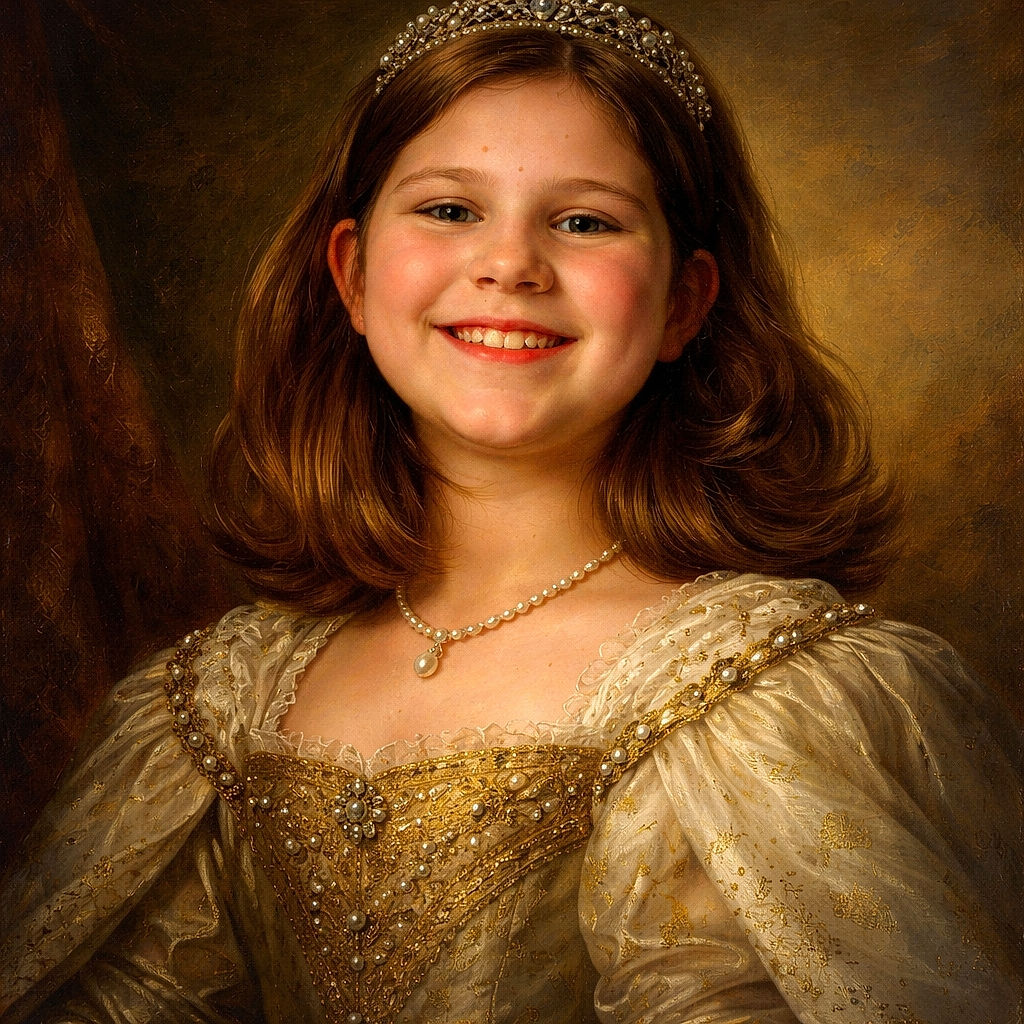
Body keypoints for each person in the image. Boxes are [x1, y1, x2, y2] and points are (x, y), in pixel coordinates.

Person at [2, 1, 1022, 1021]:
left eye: (584, 221)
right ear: (352, 274)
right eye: (449, 209)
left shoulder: (764, 690)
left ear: (683, 302)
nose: (510, 264)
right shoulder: (216, 705)